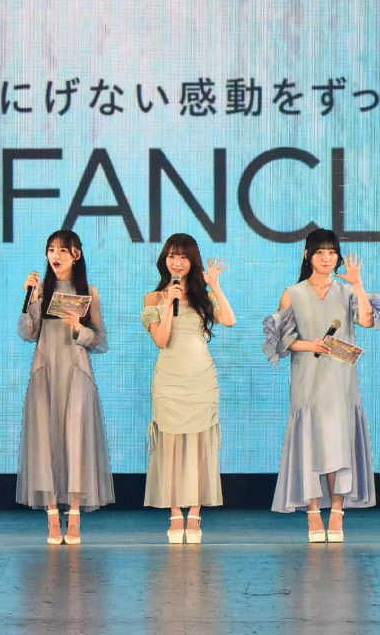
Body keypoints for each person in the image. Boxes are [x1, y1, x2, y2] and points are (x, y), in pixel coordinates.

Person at [263, 228, 380, 542]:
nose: (326, 258)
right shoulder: (293, 293)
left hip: (340, 383)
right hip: (308, 381)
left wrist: (357, 283)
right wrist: (311, 345)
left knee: (339, 444)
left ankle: (336, 512)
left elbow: (367, 320)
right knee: (310, 444)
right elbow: (282, 341)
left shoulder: (347, 291)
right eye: (319, 252)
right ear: (307, 255)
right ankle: (312, 513)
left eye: (331, 252)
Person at [17, 230, 114, 545]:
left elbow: (100, 340)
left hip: (76, 372)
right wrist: (30, 301)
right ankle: (51, 517)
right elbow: (27, 333)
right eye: (50, 250)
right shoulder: (41, 292)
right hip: (45, 372)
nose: (55, 256)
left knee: (76, 441)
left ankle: (74, 517)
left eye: (62, 250)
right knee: (45, 441)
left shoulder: (89, 293)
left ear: (76, 255)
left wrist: (79, 329)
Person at [141, 233, 236, 544]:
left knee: (199, 446)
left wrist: (215, 286)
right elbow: (161, 340)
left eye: (183, 256)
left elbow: (230, 320)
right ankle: (174, 512)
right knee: (169, 446)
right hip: (169, 378)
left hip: (200, 378)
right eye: (172, 256)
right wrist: (169, 304)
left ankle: (195, 512)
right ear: (164, 260)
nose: (177, 262)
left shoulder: (202, 297)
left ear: (192, 260)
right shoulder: (153, 298)